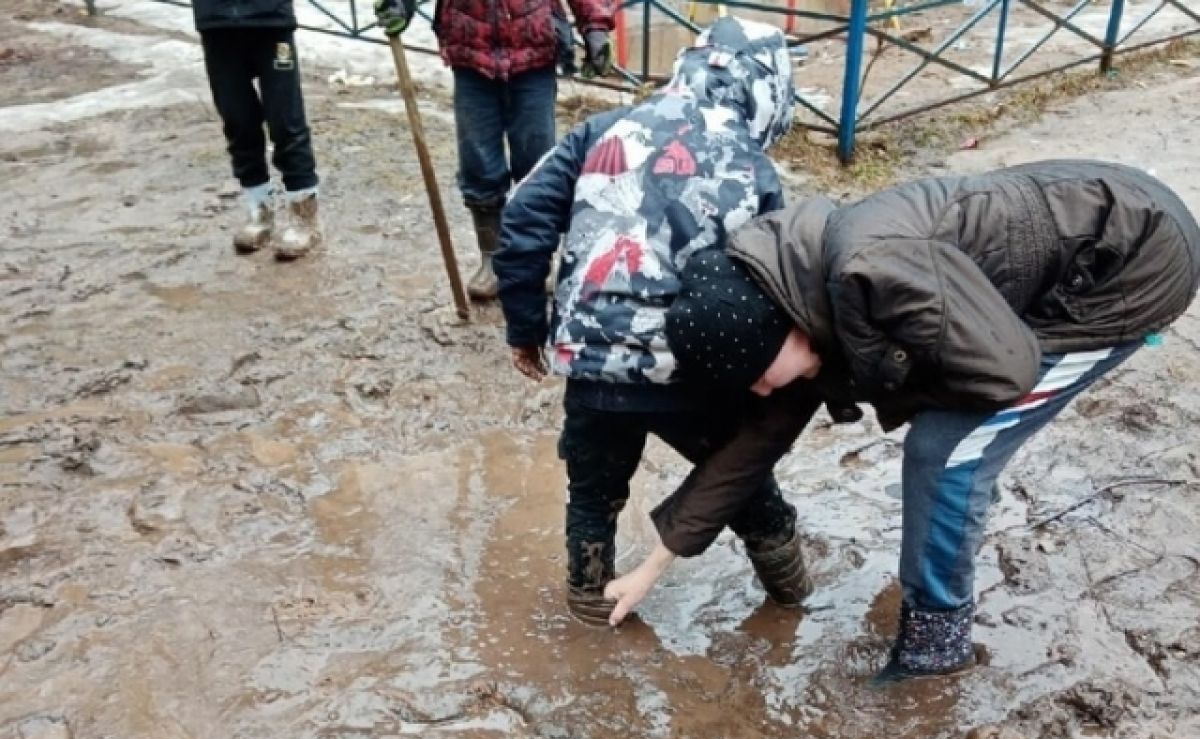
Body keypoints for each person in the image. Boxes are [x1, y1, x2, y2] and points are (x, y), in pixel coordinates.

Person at [605, 159, 1200, 683]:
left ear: (774, 330)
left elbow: (1008, 371)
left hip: (1131, 265)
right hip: (1091, 216)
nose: (760, 389)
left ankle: (936, 647)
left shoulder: (870, 271)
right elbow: (751, 446)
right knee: (936, 433)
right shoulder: (797, 298)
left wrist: (901, 376)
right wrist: (651, 569)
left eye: (757, 373)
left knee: (945, 449)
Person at [491, 18, 805, 624]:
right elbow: (775, 280)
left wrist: (526, 329)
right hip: (695, 376)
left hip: (592, 367)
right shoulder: (751, 164)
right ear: (764, 89)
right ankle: (792, 597)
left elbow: (522, 222)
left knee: (592, 496)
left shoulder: (600, 131)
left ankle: (588, 611)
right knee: (740, 481)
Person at [374, 0, 615, 300]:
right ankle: (494, 259)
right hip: (470, 55)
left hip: (534, 53)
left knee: (536, 163)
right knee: (479, 162)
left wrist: (595, 28)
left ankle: (534, 259)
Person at [192, 0, 322, 260]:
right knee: (238, 119)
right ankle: (259, 211)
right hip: (216, 23)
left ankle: (304, 216)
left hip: (271, 20)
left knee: (285, 119)